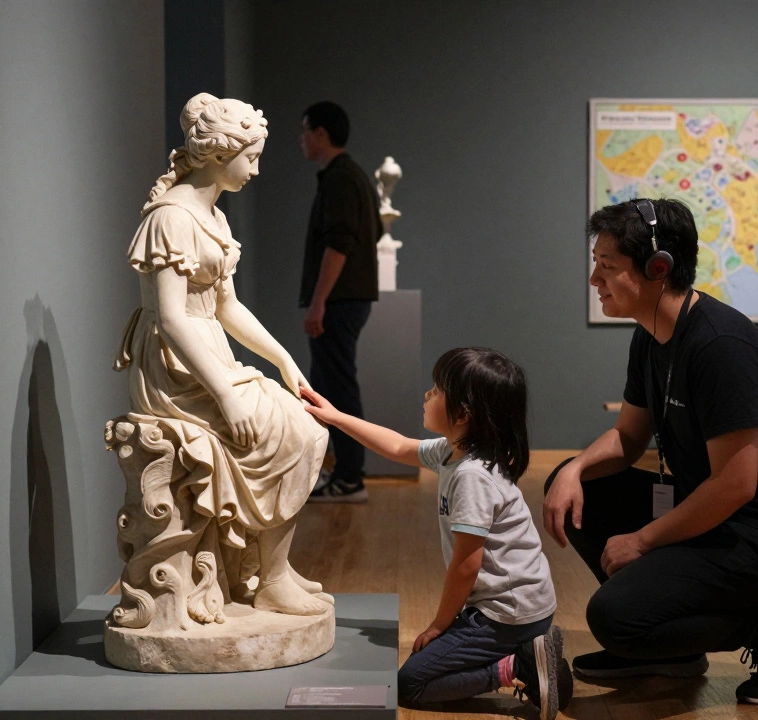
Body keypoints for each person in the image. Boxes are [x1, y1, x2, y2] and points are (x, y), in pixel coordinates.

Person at [542, 198, 758, 705]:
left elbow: (736, 485)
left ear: (659, 270)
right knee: (573, 488)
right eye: (596, 264)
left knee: (614, 619)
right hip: (718, 509)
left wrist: (643, 541)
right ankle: (669, 648)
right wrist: (575, 468)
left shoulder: (722, 347)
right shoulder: (650, 335)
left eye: (607, 267)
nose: (595, 280)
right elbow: (628, 439)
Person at [115, 93, 329, 616]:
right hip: (173, 367)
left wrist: (282, 359)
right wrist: (227, 395)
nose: (255, 170)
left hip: (207, 356)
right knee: (289, 432)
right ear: (218, 152)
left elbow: (227, 308)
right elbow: (171, 318)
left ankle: (274, 570)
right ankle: (271, 578)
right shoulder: (171, 218)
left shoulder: (213, 218)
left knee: (305, 427)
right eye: (250, 157)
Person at [301, 348, 571, 718]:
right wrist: (335, 417)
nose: (428, 395)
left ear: (462, 414)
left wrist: (439, 624)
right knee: (425, 664)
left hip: (508, 615)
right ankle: (530, 652)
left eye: (437, 390)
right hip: (516, 607)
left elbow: (465, 567)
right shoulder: (453, 451)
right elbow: (397, 446)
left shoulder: (472, 476)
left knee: (413, 682)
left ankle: (518, 666)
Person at [299, 101, 381, 503]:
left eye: (304, 131)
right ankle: (342, 473)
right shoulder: (355, 177)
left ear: (321, 134)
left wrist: (319, 303)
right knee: (329, 384)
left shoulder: (339, 178)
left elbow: (339, 242)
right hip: (349, 299)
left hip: (340, 302)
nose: (301, 140)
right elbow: (373, 231)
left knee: (335, 388)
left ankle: (350, 477)